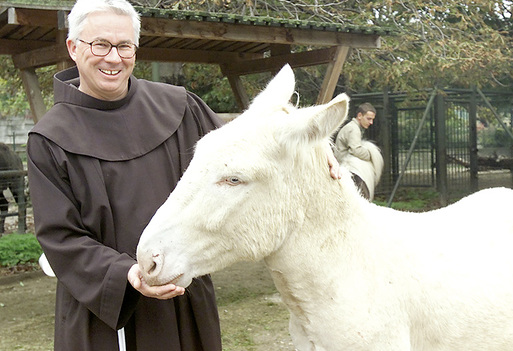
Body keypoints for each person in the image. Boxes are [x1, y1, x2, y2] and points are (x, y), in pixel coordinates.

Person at [27, 0, 341, 350]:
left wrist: (314, 147)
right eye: (100, 44)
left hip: (182, 297)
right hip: (102, 310)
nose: (113, 58)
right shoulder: (49, 139)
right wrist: (127, 274)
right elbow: (61, 238)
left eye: (124, 46)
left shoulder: (178, 106)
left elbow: (244, 149)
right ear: (73, 47)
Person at [334, 102, 376, 198]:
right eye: (369, 119)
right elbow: (356, 150)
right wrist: (372, 155)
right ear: (360, 115)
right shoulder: (353, 129)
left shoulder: (353, 127)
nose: (371, 123)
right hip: (349, 171)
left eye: (372, 119)